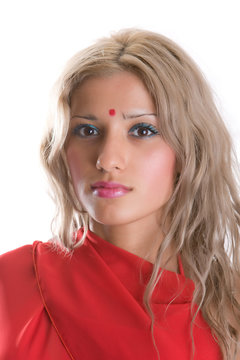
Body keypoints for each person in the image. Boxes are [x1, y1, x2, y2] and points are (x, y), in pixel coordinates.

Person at [0, 28, 239, 360]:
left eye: (142, 130)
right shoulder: (10, 287)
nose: (107, 159)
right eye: (87, 130)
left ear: (189, 150)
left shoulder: (231, 306)